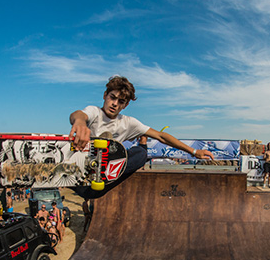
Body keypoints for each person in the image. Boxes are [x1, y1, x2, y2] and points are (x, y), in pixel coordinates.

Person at [69, 76, 214, 198]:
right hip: (81, 177)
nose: (114, 104)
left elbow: (161, 136)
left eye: (121, 102)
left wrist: (194, 152)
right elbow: (78, 114)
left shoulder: (128, 122)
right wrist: (80, 122)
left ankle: (106, 172)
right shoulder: (95, 113)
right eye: (112, 98)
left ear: (125, 105)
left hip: (98, 186)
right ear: (105, 95)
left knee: (141, 153)